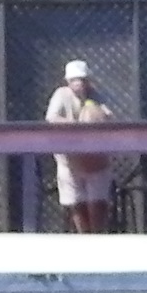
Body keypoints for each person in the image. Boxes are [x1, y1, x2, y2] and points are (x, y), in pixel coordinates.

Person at [45, 58, 116, 230]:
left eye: (82, 79)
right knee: (76, 202)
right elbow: (51, 118)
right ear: (67, 81)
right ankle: (83, 236)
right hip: (69, 161)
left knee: (98, 201)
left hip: (95, 159)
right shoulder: (61, 94)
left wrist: (97, 115)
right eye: (74, 79)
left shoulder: (95, 95)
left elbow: (108, 116)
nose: (79, 83)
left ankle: (97, 236)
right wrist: (76, 125)